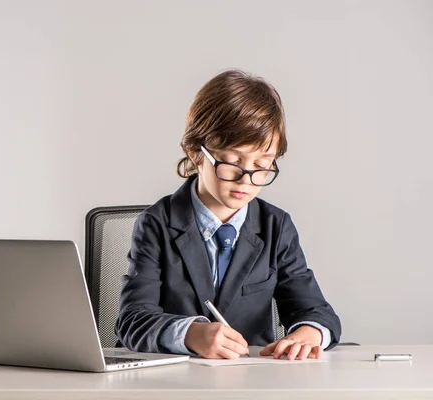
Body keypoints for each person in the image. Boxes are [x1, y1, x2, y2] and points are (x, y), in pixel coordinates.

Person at [115, 69, 341, 360]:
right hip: (174, 380)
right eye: (232, 162)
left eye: (262, 165)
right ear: (195, 153)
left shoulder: (276, 226)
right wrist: (189, 333)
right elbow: (132, 321)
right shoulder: (157, 223)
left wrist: (309, 333)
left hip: (251, 378)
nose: (246, 179)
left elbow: (317, 312)